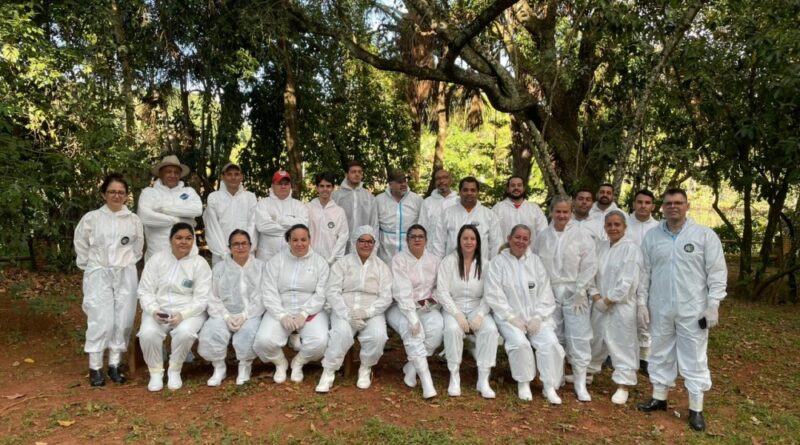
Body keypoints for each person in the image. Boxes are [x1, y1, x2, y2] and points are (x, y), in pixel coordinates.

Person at [636, 188, 727, 432]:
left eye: (678, 203)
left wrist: (713, 304)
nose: (673, 207)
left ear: (687, 206)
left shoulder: (704, 236)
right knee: (660, 353)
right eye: (668, 203)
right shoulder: (653, 238)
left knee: (694, 357)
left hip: (693, 310)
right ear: (662, 208)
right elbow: (644, 273)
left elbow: (717, 272)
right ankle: (659, 397)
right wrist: (641, 303)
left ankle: (696, 409)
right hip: (661, 307)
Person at [74, 174, 144, 386]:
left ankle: (115, 364)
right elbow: (81, 244)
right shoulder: (92, 218)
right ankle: (95, 366)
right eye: (112, 192)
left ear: (126, 195)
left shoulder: (133, 220)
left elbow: (137, 248)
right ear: (104, 194)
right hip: (99, 272)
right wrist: (92, 267)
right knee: (100, 319)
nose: (116, 196)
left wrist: (125, 263)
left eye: (121, 192)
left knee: (123, 319)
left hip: (125, 272)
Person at [485, 224, 565, 404]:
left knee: (550, 343)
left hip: (536, 317)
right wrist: (511, 317)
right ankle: (524, 382)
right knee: (520, 343)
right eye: (517, 237)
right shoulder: (498, 263)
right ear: (509, 238)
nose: (520, 241)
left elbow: (545, 292)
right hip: (509, 318)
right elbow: (494, 294)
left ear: (529, 241)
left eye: (525, 239)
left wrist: (538, 317)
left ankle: (549, 386)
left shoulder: (535, 262)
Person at [533, 195, 598, 402]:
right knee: (554, 336)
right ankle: (555, 377)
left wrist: (581, 290)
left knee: (579, 337)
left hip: (574, 293)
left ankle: (580, 383)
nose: (562, 215)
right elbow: (535, 265)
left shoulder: (582, 235)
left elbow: (590, 264)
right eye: (558, 211)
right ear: (551, 212)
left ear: (571, 213)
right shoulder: (543, 237)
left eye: (565, 212)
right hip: (549, 293)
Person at [316, 226, 392, 393]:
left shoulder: (382, 267)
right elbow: (332, 291)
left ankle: (365, 368)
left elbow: (386, 297)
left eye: (369, 241)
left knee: (378, 336)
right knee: (341, 333)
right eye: (362, 241)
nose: (366, 245)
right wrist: (347, 314)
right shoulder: (342, 263)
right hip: (345, 309)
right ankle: (329, 371)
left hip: (371, 311)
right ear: (355, 242)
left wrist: (367, 312)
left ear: (374, 244)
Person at [137, 223, 211, 391]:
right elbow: (145, 290)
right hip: (158, 309)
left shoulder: (199, 264)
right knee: (148, 333)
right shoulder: (157, 260)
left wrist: (183, 315)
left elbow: (202, 298)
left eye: (188, 238)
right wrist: (154, 310)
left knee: (185, 332)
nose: (183, 242)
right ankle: (155, 372)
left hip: (190, 311)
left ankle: (174, 369)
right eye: (178, 238)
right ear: (170, 240)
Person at [253, 224, 329, 384]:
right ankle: (280, 363)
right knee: (263, 341)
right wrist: (281, 315)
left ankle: (298, 362)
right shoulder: (276, 261)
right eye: (295, 239)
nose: (299, 243)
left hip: (310, 311)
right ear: (288, 241)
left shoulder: (320, 263)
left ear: (310, 240)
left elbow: (322, 293)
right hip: (281, 309)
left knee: (320, 342)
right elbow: (268, 290)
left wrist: (305, 313)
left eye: (303, 239)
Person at [435, 225, 499, 398]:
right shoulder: (448, 262)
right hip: (453, 307)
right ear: (459, 241)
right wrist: (456, 314)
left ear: (478, 242)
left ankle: (483, 379)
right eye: (465, 238)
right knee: (452, 330)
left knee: (490, 330)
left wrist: (480, 315)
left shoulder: (485, 264)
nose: (469, 242)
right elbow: (441, 291)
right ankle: (454, 375)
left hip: (478, 307)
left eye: (472, 239)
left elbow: (490, 293)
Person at [588, 210, 643, 405]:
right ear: (604, 227)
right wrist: (596, 297)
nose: (613, 228)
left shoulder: (631, 249)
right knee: (595, 338)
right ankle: (589, 372)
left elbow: (627, 282)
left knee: (622, 343)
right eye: (609, 224)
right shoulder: (600, 247)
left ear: (624, 227)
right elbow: (591, 273)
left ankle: (623, 384)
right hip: (599, 303)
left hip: (621, 306)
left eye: (617, 224)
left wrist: (609, 300)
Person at [197, 230, 265, 387]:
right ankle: (219, 367)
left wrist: (245, 315)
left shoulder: (261, 267)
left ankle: (244, 367)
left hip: (251, 314)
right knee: (212, 330)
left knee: (248, 332)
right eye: (236, 244)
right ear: (229, 247)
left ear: (251, 246)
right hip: (223, 314)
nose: (240, 247)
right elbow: (212, 296)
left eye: (244, 243)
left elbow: (262, 295)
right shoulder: (219, 268)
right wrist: (226, 316)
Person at [385, 224, 441, 399]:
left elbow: (440, 287)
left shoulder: (434, 260)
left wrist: (433, 302)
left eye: (420, 236)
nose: (417, 239)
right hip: (401, 309)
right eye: (413, 236)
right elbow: (402, 291)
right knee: (414, 334)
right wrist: (411, 316)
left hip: (427, 308)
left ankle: (410, 367)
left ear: (426, 240)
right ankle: (426, 381)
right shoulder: (399, 260)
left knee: (437, 331)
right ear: (407, 240)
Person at [138, 155, 202, 261]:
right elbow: (145, 217)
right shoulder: (149, 193)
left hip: (187, 255)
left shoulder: (188, 192)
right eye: (168, 171)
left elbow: (197, 210)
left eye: (176, 172)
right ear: (160, 173)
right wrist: (180, 220)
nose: (173, 175)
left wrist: (163, 209)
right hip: (157, 255)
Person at [626, 189, 659, 375]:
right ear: (634, 204)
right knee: (624, 315)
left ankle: (645, 356)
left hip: (649, 276)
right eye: (639, 202)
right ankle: (620, 354)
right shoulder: (623, 223)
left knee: (646, 316)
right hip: (626, 275)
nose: (643, 206)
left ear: (653, 206)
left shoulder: (659, 227)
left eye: (647, 203)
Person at [432, 176, 502, 260]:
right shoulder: (447, 214)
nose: (469, 193)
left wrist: (492, 267)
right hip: (452, 268)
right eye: (465, 190)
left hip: (481, 268)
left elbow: (496, 245)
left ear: (478, 193)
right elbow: (438, 243)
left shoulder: (489, 215)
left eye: (473, 190)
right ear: (460, 192)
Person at [203, 163, 258, 266]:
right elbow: (212, 228)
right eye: (229, 174)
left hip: (246, 254)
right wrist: (225, 253)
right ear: (222, 177)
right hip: (221, 256)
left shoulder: (250, 197)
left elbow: (253, 225)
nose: (233, 177)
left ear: (241, 177)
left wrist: (246, 249)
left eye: (236, 174)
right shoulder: (214, 198)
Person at [254, 170, 308, 261]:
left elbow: (303, 226)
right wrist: (291, 227)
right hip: (266, 257)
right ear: (272, 186)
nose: (283, 186)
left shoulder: (299, 206)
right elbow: (263, 227)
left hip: (291, 257)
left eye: (286, 183)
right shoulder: (263, 204)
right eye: (279, 183)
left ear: (290, 186)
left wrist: (278, 219)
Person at [375, 169, 423, 263]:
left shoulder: (417, 200)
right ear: (390, 184)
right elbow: (374, 226)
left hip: (410, 255)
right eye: (399, 182)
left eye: (405, 181)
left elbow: (422, 225)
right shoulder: (378, 200)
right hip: (386, 255)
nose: (404, 184)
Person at [332, 160, 379, 253]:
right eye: (353, 172)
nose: (357, 174)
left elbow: (374, 223)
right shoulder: (336, 196)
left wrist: (374, 245)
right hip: (341, 244)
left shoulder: (369, 197)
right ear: (346, 174)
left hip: (363, 244)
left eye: (359, 172)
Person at [307, 172, 349, 265]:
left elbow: (343, 237)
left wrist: (332, 258)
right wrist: (308, 255)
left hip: (331, 261)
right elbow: (303, 234)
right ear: (317, 187)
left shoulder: (339, 211)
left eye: (328, 186)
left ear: (333, 188)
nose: (325, 189)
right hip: (310, 259)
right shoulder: (308, 208)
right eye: (321, 186)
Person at [418, 169, 458, 236]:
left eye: (445, 177)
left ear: (451, 181)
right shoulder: (427, 202)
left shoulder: (458, 201)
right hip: (432, 246)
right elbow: (422, 227)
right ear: (434, 182)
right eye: (438, 179)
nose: (441, 181)